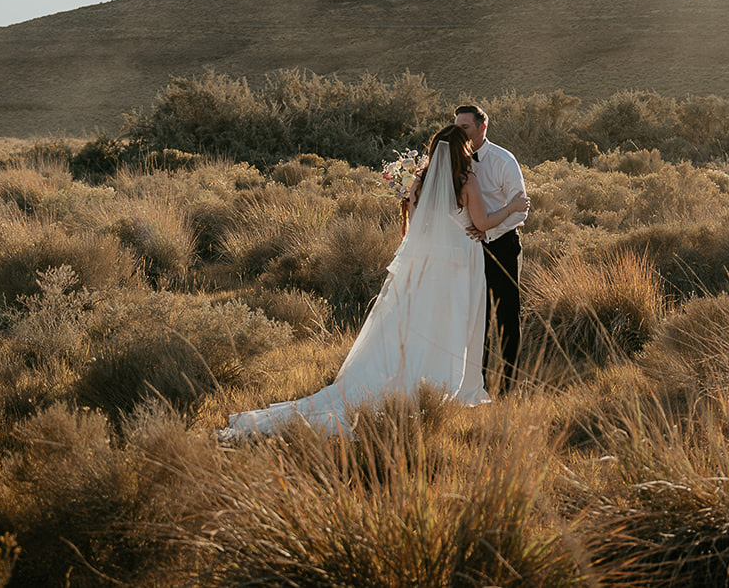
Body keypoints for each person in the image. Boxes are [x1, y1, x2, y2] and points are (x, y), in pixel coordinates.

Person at [219, 124, 528, 437]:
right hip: (461, 262)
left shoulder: (420, 182)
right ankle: (447, 387)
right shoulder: (467, 180)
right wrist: (512, 207)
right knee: (457, 323)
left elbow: (418, 226)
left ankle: (417, 378)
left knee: (421, 324)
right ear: (464, 150)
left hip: (427, 264)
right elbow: (483, 222)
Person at [455, 103, 528, 394]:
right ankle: (477, 388)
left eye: (465, 128)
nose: (460, 134)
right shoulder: (452, 161)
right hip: (467, 251)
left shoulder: (503, 161)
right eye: (456, 128)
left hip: (503, 248)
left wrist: (486, 229)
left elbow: (520, 209)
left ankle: (509, 389)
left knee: (508, 319)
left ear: (482, 128)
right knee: (476, 321)